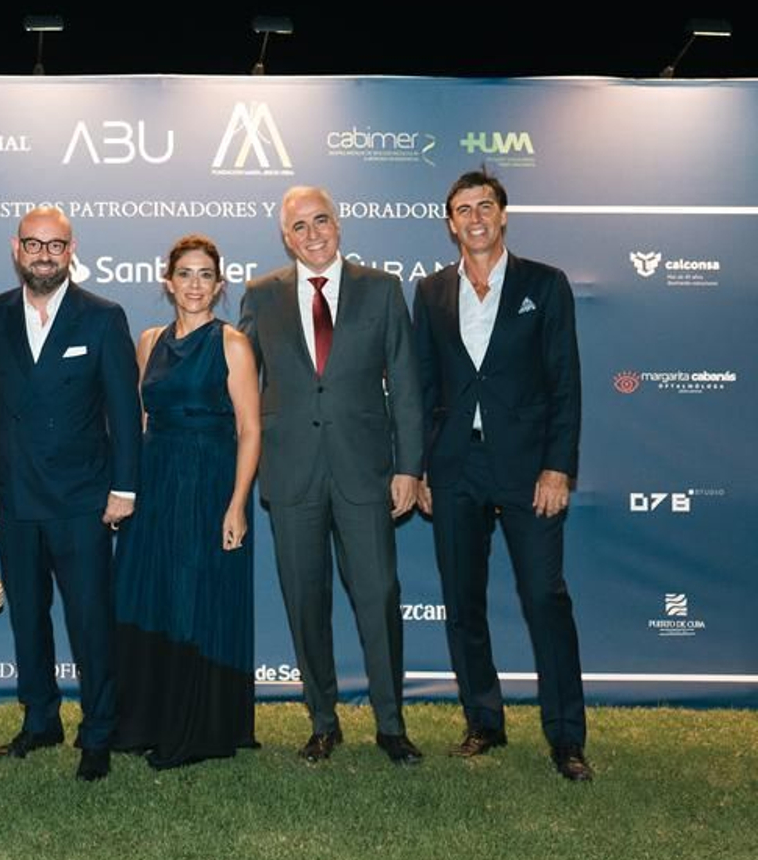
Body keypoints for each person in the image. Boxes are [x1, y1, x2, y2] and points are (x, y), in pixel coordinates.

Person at [237, 185, 425, 765]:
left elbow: (408, 387)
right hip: (290, 475)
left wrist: (409, 468)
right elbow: (240, 384)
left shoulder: (383, 289)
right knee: (304, 600)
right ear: (284, 237)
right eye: (299, 226)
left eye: (321, 221)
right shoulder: (260, 296)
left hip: (366, 473)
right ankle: (323, 720)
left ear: (338, 226)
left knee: (379, 597)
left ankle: (391, 724)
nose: (312, 233)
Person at [414, 169, 591, 781]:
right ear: (450, 224)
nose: (475, 218)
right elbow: (424, 387)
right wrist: (422, 468)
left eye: (484, 206)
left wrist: (558, 466)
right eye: (463, 210)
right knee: (462, 604)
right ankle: (483, 721)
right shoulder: (431, 293)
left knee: (545, 597)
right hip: (456, 466)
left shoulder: (546, 284)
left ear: (503, 215)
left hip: (528, 468)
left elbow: (566, 383)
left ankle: (567, 736)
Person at [0, 205, 141, 782]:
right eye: (34, 244)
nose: (44, 254)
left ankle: (99, 731)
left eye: (56, 245)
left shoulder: (101, 317)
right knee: (28, 620)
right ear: (16, 249)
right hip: (13, 498)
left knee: (90, 620)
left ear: (71, 250)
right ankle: (40, 720)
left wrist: (124, 488)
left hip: (83, 500)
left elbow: (122, 409)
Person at [111, 234, 262, 770]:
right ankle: (147, 719)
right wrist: (125, 490)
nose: (194, 285)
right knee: (150, 597)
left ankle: (196, 728)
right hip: (155, 485)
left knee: (194, 598)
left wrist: (237, 503)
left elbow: (249, 430)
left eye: (205, 276)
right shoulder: (149, 340)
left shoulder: (233, 344)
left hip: (209, 484)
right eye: (185, 274)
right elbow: (140, 421)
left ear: (219, 286)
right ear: (167, 281)